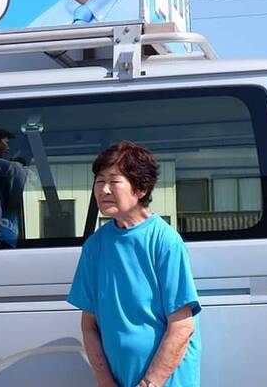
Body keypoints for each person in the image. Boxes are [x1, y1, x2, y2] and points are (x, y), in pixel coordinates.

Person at [68, 141, 201, 387]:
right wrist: (105, 380)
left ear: (140, 189)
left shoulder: (164, 240)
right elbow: (89, 325)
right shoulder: (94, 247)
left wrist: (149, 384)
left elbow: (182, 327)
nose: (104, 189)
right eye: (99, 181)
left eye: (114, 181)